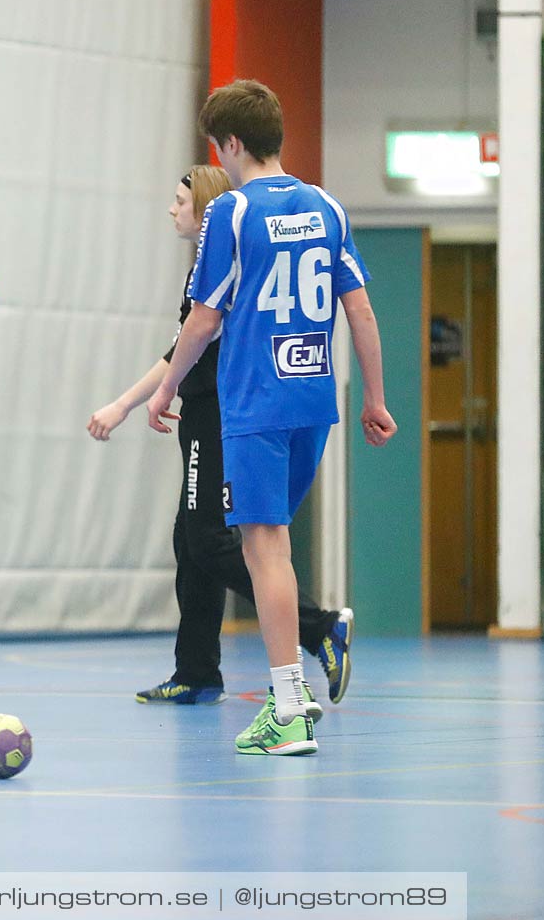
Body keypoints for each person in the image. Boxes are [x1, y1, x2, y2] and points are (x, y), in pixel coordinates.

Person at [142, 80, 396, 757]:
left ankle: (287, 707)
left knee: (265, 552)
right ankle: (292, 692)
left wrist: (164, 389)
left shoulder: (229, 213)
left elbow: (203, 319)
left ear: (229, 144)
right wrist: (374, 397)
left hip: (254, 399)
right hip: (315, 399)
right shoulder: (327, 207)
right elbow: (361, 310)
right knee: (268, 549)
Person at [89, 167, 351, 708]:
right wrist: (136, 400)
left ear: (204, 207)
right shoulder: (205, 268)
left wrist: (127, 403)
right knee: (190, 539)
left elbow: (186, 349)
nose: (171, 209)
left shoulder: (222, 260)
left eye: (179, 199)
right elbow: (180, 350)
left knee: (209, 539)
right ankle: (197, 670)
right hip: (207, 412)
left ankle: (318, 627)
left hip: (218, 415)